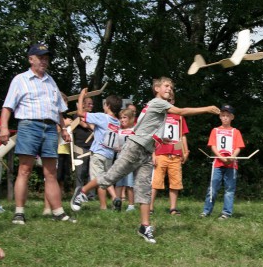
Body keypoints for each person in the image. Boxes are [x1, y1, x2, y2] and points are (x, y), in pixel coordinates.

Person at [71, 77, 220, 244]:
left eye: (171, 87)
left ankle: (144, 226)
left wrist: (162, 142)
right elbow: (181, 111)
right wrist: (207, 108)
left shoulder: (159, 109)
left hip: (147, 153)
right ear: (156, 88)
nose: (169, 89)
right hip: (134, 148)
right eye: (166, 86)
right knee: (109, 178)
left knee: (144, 190)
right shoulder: (158, 103)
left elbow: (149, 128)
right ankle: (82, 192)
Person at [0, 43, 76, 224]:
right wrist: (4, 127)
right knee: (25, 170)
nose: (44, 61)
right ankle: (19, 212)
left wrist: (64, 129)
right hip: (29, 125)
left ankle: (58, 212)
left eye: (46, 58)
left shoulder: (51, 81)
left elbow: (58, 109)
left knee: (51, 171)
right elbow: (8, 106)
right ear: (30, 59)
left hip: (50, 128)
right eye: (40, 57)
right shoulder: (20, 79)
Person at [73, 93, 122, 210]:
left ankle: (84, 194)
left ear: (108, 106)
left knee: (99, 180)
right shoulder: (117, 122)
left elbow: (80, 113)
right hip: (109, 156)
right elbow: (98, 129)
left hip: (99, 154)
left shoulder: (102, 117)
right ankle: (114, 198)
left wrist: (80, 98)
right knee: (104, 179)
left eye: (104, 104)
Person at [200, 104, 245, 220]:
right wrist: (221, 157)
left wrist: (232, 157)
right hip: (218, 163)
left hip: (232, 164)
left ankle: (226, 213)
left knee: (229, 189)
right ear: (220, 117)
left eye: (227, 116)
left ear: (232, 117)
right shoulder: (215, 131)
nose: (225, 118)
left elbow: (238, 147)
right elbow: (213, 146)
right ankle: (206, 211)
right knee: (212, 188)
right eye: (223, 115)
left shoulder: (236, 132)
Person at [150, 91, 189, 215]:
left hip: (175, 155)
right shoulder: (159, 116)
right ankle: (150, 207)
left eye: (170, 100)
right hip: (160, 153)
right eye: (166, 101)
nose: (168, 102)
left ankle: (173, 208)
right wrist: (153, 154)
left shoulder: (179, 117)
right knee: (156, 182)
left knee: (175, 182)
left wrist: (184, 150)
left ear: (173, 102)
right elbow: (152, 136)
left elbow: (181, 136)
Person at [43, 92, 72, 216]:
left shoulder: (64, 118)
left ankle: (57, 205)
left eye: (66, 103)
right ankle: (47, 208)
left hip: (64, 151)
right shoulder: (52, 117)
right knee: (50, 179)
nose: (65, 105)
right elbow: (54, 130)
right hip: (55, 151)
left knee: (59, 181)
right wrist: (65, 125)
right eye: (63, 103)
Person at [73, 96, 95, 199]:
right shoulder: (76, 115)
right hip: (80, 147)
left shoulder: (93, 116)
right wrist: (89, 124)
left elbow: (93, 126)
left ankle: (90, 195)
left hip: (92, 147)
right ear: (83, 105)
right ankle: (78, 194)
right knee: (80, 172)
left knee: (92, 172)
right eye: (89, 104)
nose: (91, 106)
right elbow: (85, 125)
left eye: (92, 104)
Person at [115, 108, 136, 212]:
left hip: (130, 160)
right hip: (119, 159)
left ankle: (131, 205)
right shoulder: (117, 131)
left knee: (129, 183)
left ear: (130, 119)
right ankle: (117, 203)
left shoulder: (134, 130)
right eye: (120, 118)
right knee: (118, 183)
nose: (122, 120)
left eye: (124, 117)